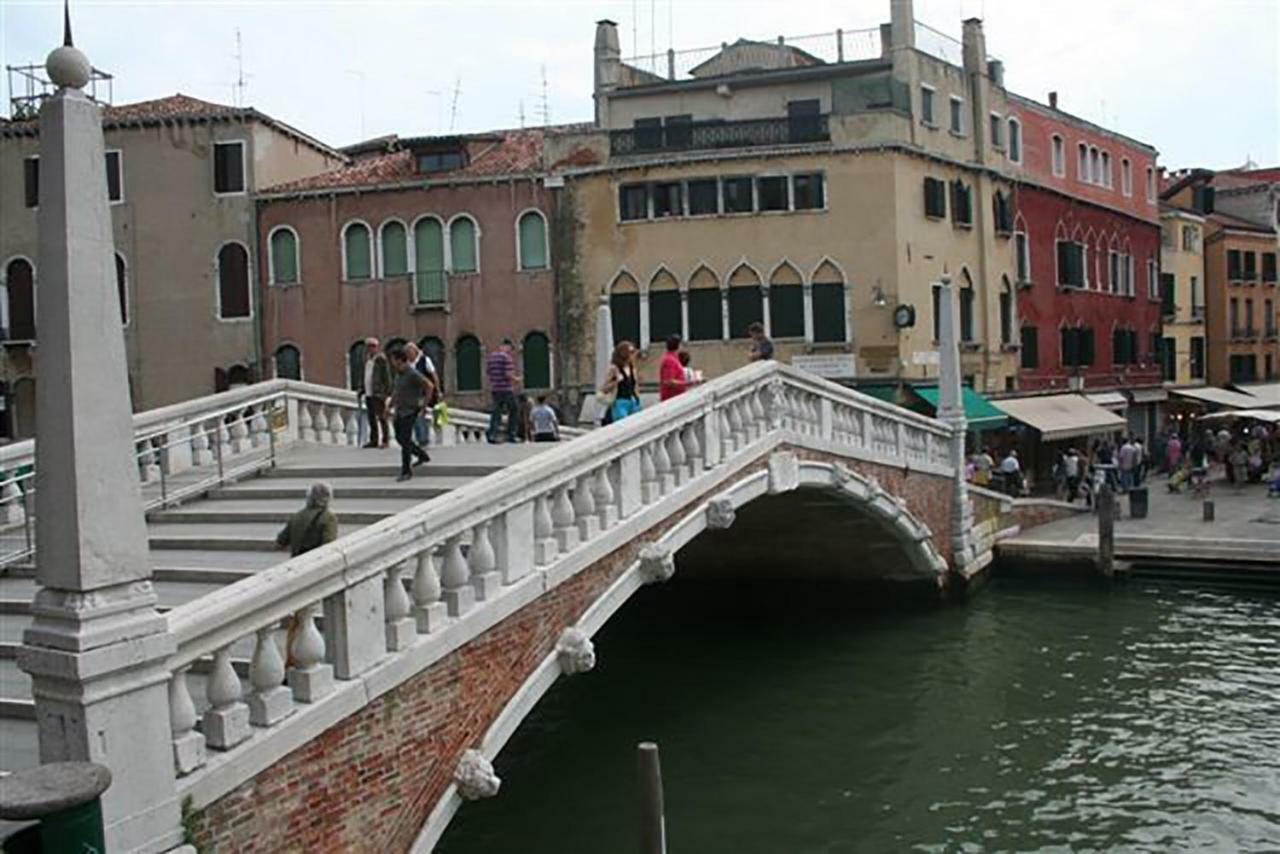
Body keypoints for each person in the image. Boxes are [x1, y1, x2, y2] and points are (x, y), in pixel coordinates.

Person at [276, 482, 339, 667]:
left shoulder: (297, 516)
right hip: (315, 572)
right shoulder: (328, 518)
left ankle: (290, 657)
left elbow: (279, 542)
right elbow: (329, 546)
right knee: (305, 618)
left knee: (298, 618)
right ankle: (293, 660)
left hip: (297, 569)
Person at [388, 346, 433, 481]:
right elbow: (396, 392)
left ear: (399, 360)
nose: (392, 363)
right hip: (399, 411)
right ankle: (422, 455)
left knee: (406, 441)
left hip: (410, 410)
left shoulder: (412, 373)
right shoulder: (398, 375)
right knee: (399, 438)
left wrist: (424, 404)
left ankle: (406, 471)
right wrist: (389, 406)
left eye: (393, 360)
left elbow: (429, 386)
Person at [485, 338, 521, 444]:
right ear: (507, 346)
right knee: (514, 410)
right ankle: (511, 435)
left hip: (495, 388)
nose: (510, 351)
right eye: (510, 349)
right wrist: (516, 379)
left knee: (496, 412)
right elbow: (508, 374)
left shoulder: (491, 357)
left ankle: (492, 434)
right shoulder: (506, 357)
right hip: (506, 389)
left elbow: (488, 372)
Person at [404, 342, 439, 447]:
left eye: (409, 353)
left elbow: (434, 375)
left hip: (424, 392)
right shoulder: (408, 364)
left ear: (414, 352)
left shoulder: (425, 360)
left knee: (419, 414)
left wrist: (438, 390)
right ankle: (421, 437)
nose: (408, 356)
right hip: (411, 394)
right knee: (415, 415)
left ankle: (423, 439)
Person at [360, 337, 392, 449]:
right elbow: (366, 376)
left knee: (382, 417)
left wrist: (386, 393)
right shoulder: (367, 360)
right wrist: (362, 389)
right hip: (369, 393)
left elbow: (386, 377)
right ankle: (373, 440)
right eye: (368, 346)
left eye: (372, 346)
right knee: (371, 418)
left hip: (378, 393)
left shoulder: (381, 359)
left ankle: (385, 440)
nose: (370, 349)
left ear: (376, 347)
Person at [601, 341, 641, 423]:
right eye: (631, 353)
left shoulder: (632, 369)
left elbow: (635, 386)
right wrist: (616, 382)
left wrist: (637, 399)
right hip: (620, 402)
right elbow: (604, 388)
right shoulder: (614, 369)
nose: (633, 356)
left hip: (632, 401)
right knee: (623, 423)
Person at [658, 334, 686, 402]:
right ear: (678, 345)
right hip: (672, 398)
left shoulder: (674, 358)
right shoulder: (670, 360)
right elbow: (669, 381)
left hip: (677, 397)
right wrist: (687, 383)